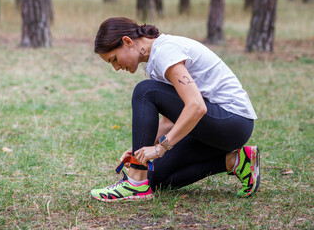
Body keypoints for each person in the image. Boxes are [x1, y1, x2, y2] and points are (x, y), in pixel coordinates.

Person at [90, 17, 260, 202]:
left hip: (232, 122)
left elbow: (196, 106)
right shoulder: (155, 63)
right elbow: (171, 120)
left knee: (144, 91)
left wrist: (160, 148)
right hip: (214, 129)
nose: (115, 67)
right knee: (155, 180)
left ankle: (134, 183)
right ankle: (237, 161)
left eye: (114, 59)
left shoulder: (165, 52)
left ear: (127, 41)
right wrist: (137, 148)